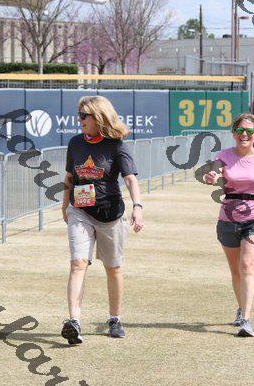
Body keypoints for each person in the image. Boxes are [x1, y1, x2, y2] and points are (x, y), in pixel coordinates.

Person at [60, 95, 144, 345]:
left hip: (110, 215)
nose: (79, 120)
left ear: (98, 117)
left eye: (83, 115)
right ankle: (74, 322)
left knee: (113, 267)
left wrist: (137, 206)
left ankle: (115, 319)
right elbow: (69, 177)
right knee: (78, 263)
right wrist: (65, 205)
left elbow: (130, 179)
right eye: (79, 114)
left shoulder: (116, 146)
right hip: (80, 211)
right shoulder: (75, 143)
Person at [204, 113, 254, 337]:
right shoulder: (224, 156)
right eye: (239, 130)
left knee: (247, 265)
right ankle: (240, 310)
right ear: (233, 133)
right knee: (236, 270)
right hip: (228, 220)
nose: (244, 134)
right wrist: (211, 176)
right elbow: (215, 170)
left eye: (249, 131)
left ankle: (246, 321)